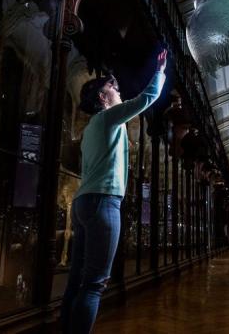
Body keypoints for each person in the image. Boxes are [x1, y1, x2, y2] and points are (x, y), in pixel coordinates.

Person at [60, 48, 167, 334]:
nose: (117, 89)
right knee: (95, 284)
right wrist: (160, 72)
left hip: (83, 203)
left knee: (76, 279)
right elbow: (146, 99)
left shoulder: (90, 131)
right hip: (103, 202)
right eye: (113, 87)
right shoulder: (108, 118)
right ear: (102, 97)